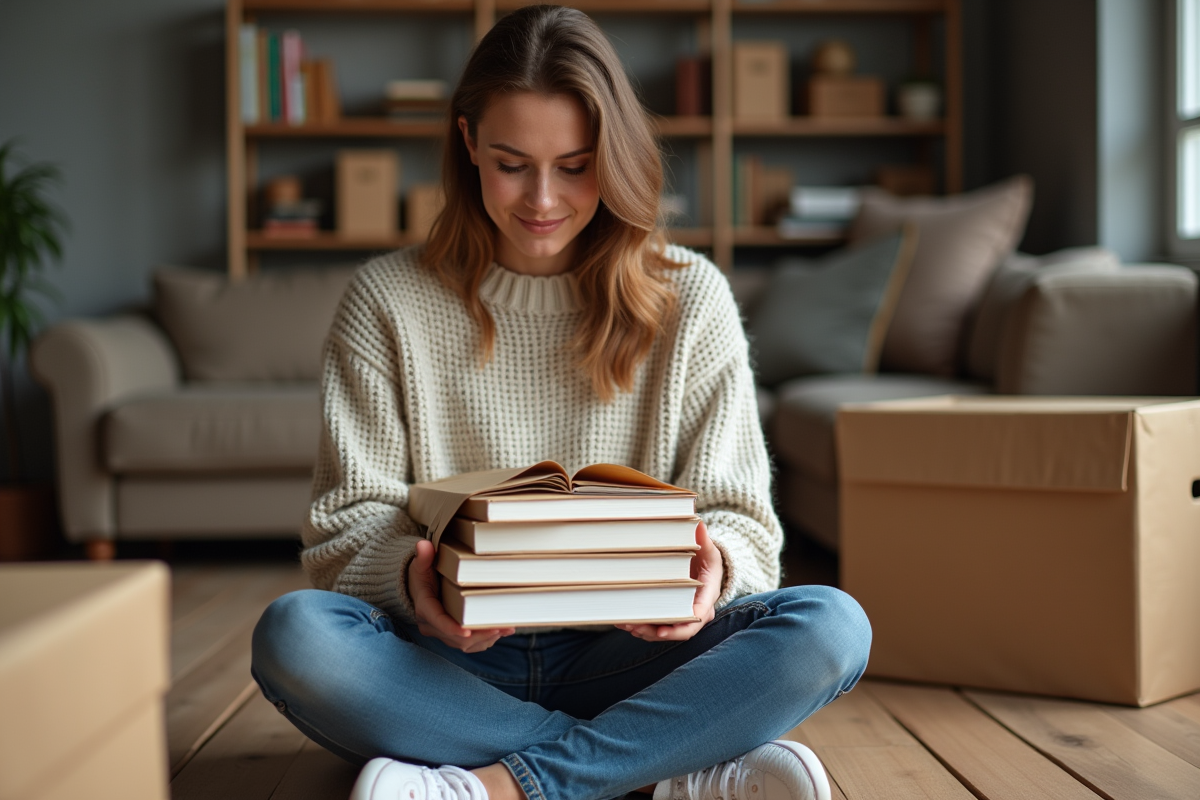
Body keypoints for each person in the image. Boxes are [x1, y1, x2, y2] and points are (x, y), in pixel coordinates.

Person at [250, 6, 871, 800]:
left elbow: (744, 521)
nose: (543, 199)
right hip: (449, 660)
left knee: (833, 627)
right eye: (512, 163)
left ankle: (497, 785)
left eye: (576, 166)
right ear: (468, 141)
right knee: (295, 637)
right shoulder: (386, 301)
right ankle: (669, 767)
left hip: (631, 655)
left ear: (613, 158)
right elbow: (345, 526)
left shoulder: (691, 298)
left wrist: (711, 570)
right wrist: (420, 588)